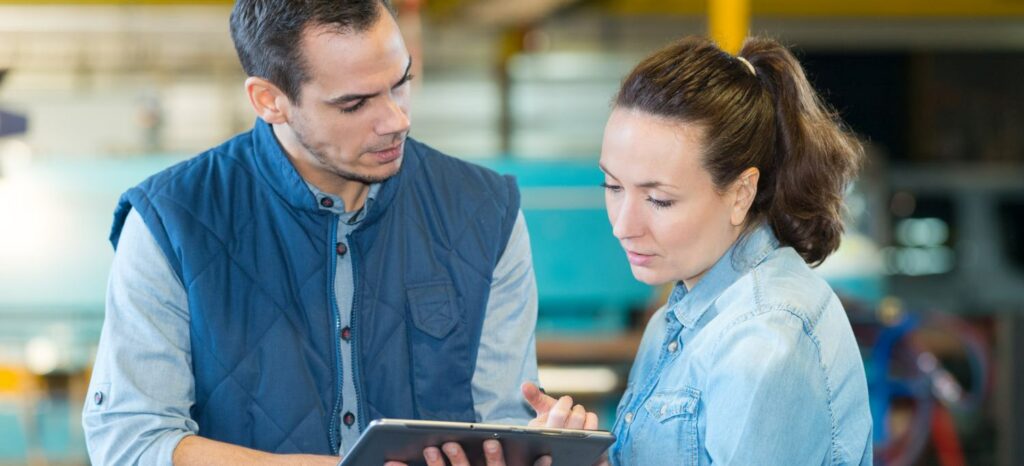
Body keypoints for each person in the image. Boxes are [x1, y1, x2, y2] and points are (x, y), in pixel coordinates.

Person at [82, 1, 543, 464]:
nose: (396, 120)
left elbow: (506, 424)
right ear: (270, 100)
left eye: (401, 83)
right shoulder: (171, 222)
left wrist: (539, 446)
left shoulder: (485, 213)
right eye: (354, 103)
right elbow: (132, 441)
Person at [434, 35, 873, 466]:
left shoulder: (765, 342)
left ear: (741, 193)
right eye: (612, 186)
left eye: (659, 200)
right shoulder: (676, 319)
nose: (623, 226)